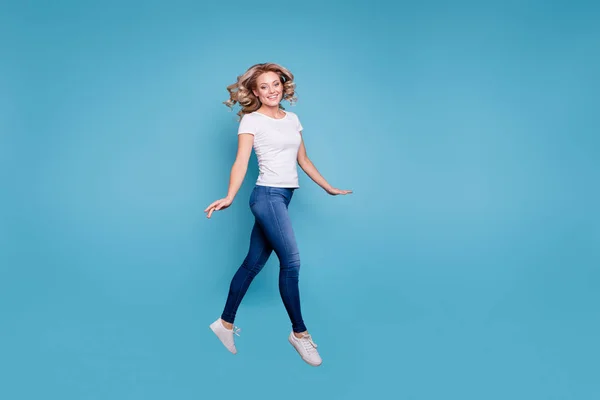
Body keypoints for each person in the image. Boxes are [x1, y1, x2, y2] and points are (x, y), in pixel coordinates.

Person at [204, 62, 352, 367]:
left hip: (283, 197)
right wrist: (230, 196)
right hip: (266, 196)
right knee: (292, 262)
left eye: (276, 84)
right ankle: (300, 333)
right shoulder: (251, 121)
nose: (272, 90)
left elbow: (304, 159)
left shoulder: (292, 119)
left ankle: (225, 323)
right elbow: (241, 162)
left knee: (252, 264)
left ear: (283, 86)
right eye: (264, 87)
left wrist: (328, 187)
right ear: (254, 92)